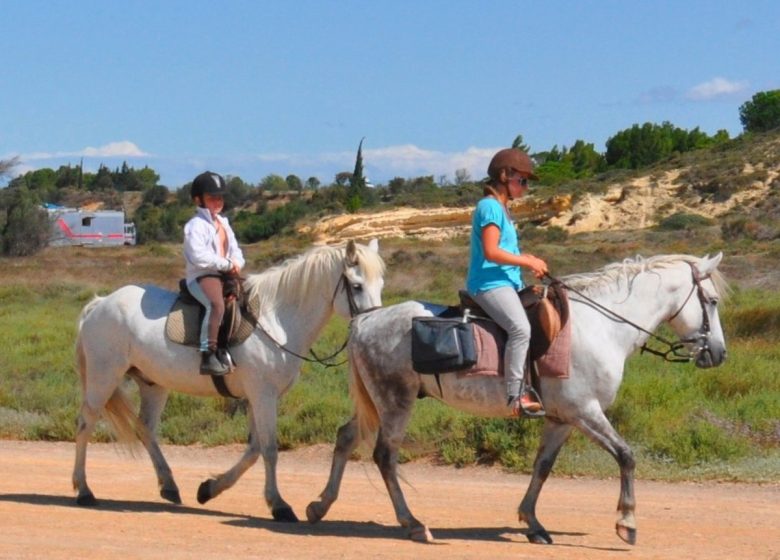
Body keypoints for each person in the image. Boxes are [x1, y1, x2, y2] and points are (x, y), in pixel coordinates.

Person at [466, 148, 549, 417]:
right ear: (504, 176)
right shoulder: (490, 206)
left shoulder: (503, 209)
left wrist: (527, 258)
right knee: (520, 329)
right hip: (489, 284)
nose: (524, 188)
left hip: (506, 282)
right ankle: (515, 396)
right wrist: (527, 262)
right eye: (521, 181)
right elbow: (491, 251)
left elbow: (505, 251)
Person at [183, 171, 245, 376]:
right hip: (202, 275)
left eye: (220, 197)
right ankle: (208, 353)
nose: (217, 201)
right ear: (198, 200)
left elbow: (235, 249)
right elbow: (198, 256)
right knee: (216, 304)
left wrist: (237, 262)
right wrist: (227, 264)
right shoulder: (195, 226)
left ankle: (229, 347)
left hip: (224, 274)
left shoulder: (224, 223)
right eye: (212, 197)